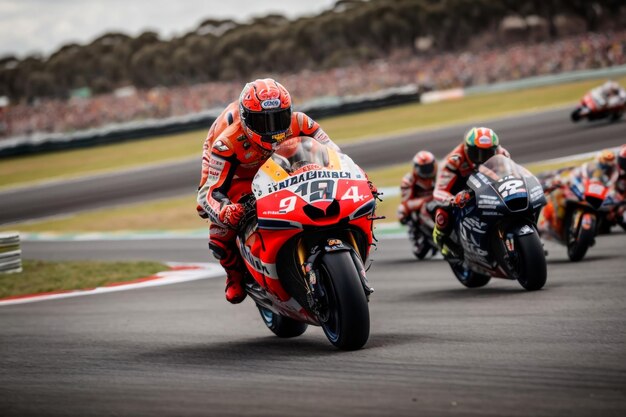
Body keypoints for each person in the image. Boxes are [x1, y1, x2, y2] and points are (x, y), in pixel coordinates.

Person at [196, 78, 340, 303]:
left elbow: (336, 155)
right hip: (241, 175)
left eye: (279, 118)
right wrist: (224, 210)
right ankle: (234, 276)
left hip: (285, 164)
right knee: (218, 229)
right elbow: (207, 192)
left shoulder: (302, 122)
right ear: (245, 120)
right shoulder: (227, 141)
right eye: (263, 122)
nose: (272, 129)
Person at [432, 127, 509, 258]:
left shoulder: (502, 153)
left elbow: (510, 175)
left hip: (486, 185)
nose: (482, 159)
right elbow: (439, 191)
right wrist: (452, 199)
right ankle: (441, 238)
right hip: (459, 192)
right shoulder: (453, 160)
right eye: (477, 153)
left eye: (488, 153)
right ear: (467, 149)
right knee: (442, 214)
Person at [541, 149, 618, 236]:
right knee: (558, 194)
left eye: (609, 162)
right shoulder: (588, 168)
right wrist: (564, 181)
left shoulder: (613, 173)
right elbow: (572, 177)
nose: (606, 164)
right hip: (581, 191)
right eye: (605, 161)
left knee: (611, 208)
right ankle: (551, 222)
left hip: (596, 198)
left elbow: (612, 187)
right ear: (599, 159)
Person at [397, 150, 437, 225]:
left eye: (429, 167)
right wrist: (426, 200)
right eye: (423, 168)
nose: (426, 171)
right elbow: (406, 204)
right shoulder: (408, 180)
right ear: (416, 167)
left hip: (438, 202)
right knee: (401, 211)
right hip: (419, 209)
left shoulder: (440, 174)